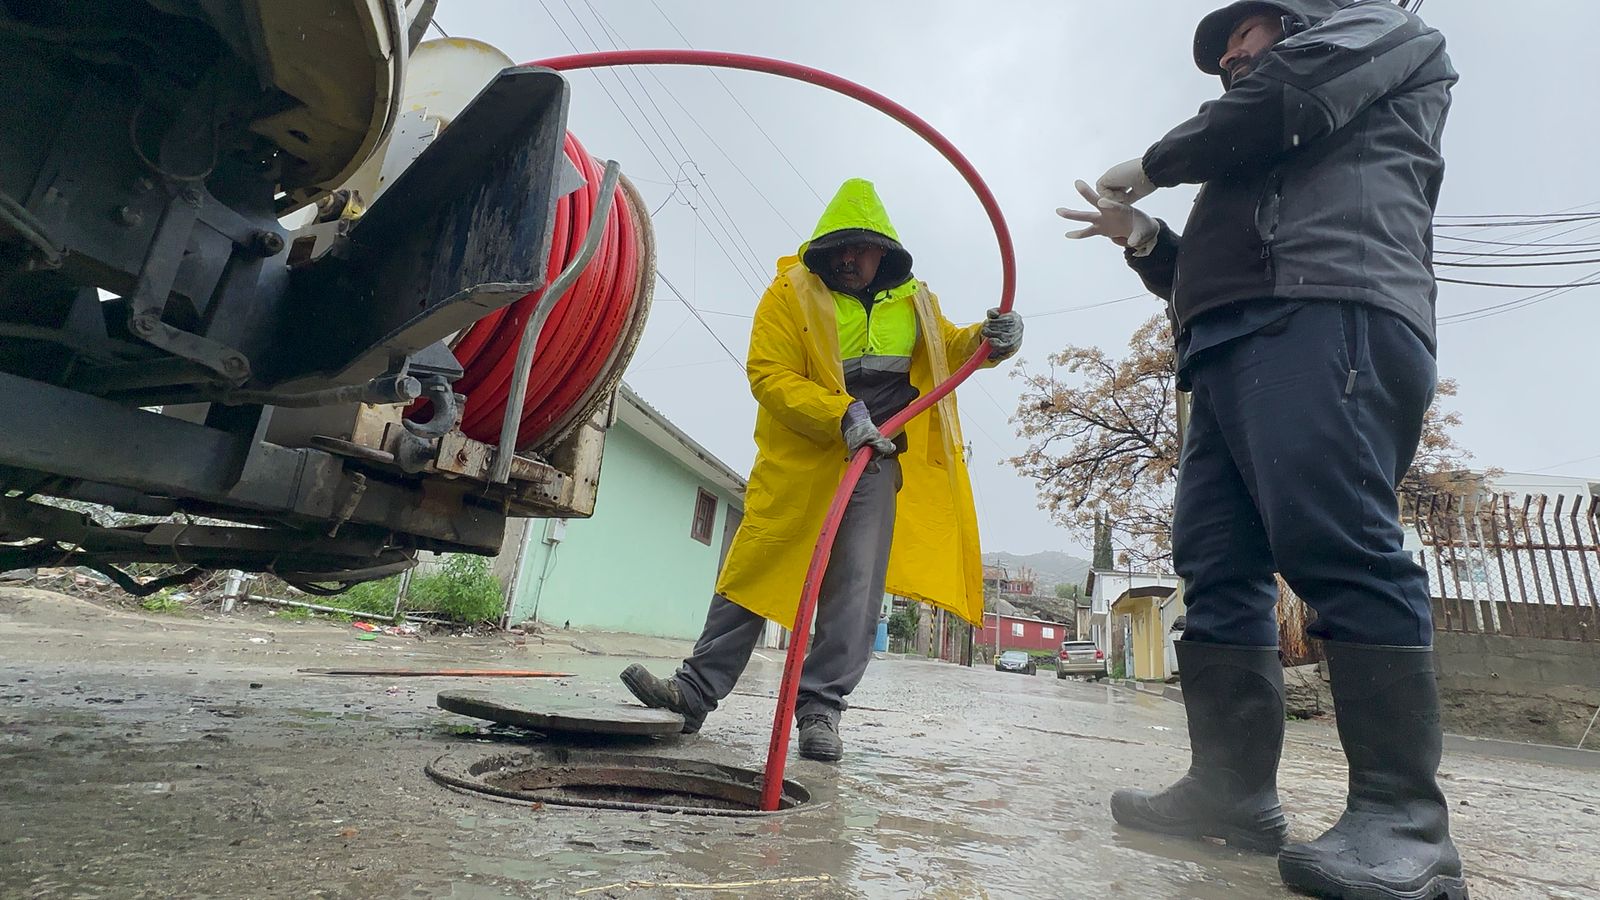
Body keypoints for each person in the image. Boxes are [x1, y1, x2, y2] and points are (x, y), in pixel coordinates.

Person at [1055, 2, 1462, 899]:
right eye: (1222, 52)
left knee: (1336, 541)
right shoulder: (1251, 140)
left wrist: (1157, 165)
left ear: (1302, 20)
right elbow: (1217, 271)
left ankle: (1406, 825)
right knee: (1218, 563)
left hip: (1331, 309)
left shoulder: (1379, 37)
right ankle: (1231, 794)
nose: (1233, 57)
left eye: (1249, 34)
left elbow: (1290, 95)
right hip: (1235, 339)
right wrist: (1149, 242)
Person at [621, 178, 1022, 762]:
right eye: (838, 247)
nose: (847, 258)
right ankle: (693, 692)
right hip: (803, 456)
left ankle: (820, 711)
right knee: (757, 567)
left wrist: (991, 340)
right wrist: (839, 416)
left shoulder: (917, 303)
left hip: (877, 461)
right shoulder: (790, 293)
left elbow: (947, 351)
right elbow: (769, 374)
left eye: (859, 248)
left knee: (855, 586)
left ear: (883, 251)